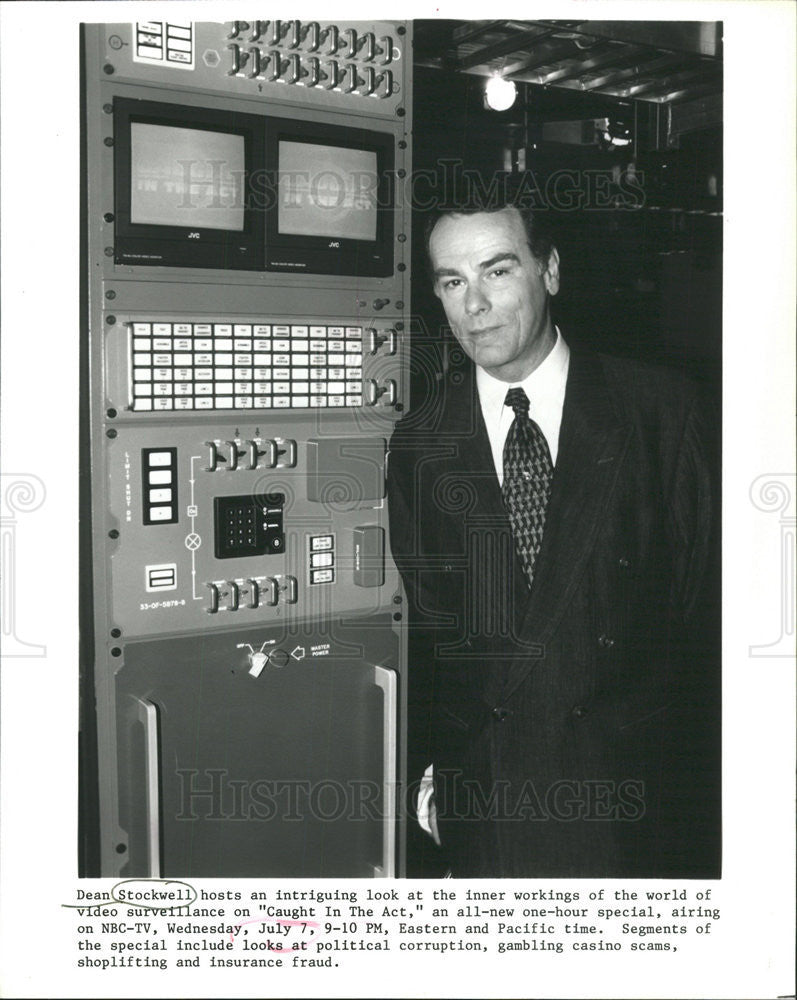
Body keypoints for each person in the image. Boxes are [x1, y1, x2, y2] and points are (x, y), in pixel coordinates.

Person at [387, 200, 720, 878]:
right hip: (487, 802)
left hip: (630, 801)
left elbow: (700, 612)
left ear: (551, 271)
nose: (473, 304)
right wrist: (431, 777)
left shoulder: (660, 409)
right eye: (451, 281)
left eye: (496, 271)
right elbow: (429, 632)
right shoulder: (421, 441)